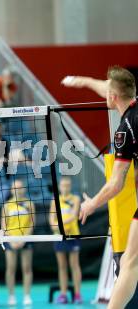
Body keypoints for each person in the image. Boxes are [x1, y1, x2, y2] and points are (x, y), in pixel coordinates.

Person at [63, 66, 138, 309]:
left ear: (113, 97)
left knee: (130, 262)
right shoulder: (130, 98)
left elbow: (116, 183)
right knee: (130, 259)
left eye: (108, 91)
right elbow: (107, 86)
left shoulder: (125, 130)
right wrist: (80, 79)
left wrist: (92, 203)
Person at [49, 177, 83, 304]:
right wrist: (57, 228)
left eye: (68, 185)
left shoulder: (76, 199)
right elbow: (51, 220)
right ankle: (63, 294)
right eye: (63, 185)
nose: (65, 187)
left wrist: (59, 226)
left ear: (71, 186)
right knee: (62, 266)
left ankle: (78, 294)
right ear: (59, 186)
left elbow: (74, 216)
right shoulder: (55, 200)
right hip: (59, 236)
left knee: (74, 265)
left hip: (73, 235)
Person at [1, 179, 35, 306]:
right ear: (11, 190)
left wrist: (23, 238)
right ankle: (11, 296)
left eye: (20, 187)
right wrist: (12, 239)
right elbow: (3, 226)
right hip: (11, 239)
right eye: (16, 188)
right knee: (11, 268)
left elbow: (32, 223)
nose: (18, 190)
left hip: (26, 239)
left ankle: (27, 295)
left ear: (24, 189)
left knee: (26, 268)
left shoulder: (29, 204)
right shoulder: (6, 206)